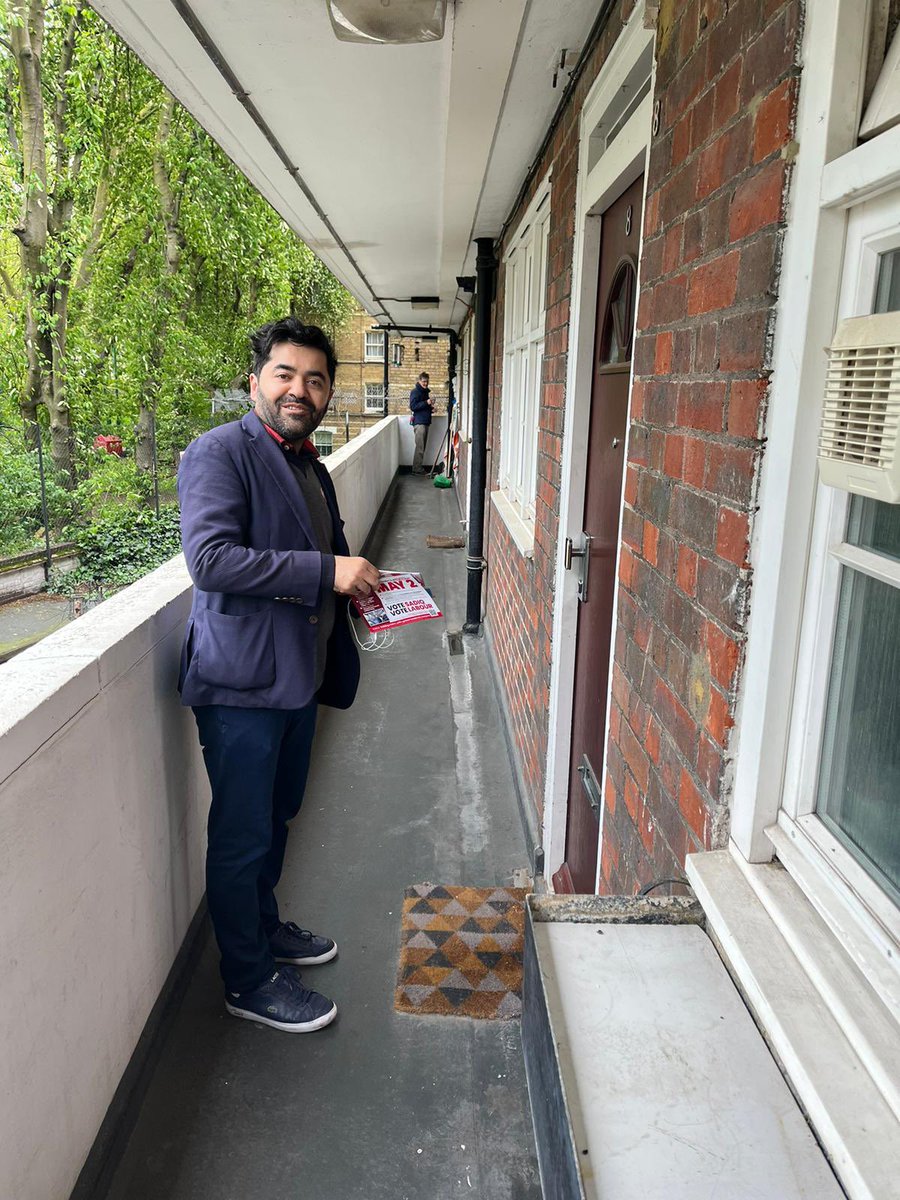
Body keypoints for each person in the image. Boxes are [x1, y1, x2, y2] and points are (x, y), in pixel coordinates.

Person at [177, 317, 380, 1034]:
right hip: (239, 688)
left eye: (316, 379)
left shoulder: (309, 462)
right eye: (287, 374)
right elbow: (212, 562)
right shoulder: (217, 453)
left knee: (276, 818)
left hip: (298, 676)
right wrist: (327, 571)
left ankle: (264, 932)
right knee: (241, 835)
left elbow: (328, 559)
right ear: (256, 380)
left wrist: (365, 586)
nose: (302, 389)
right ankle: (246, 978)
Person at [409, 371, 433, 473]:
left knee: (422, 447)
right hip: (419, 424)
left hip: (424, 422)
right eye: (423, 381)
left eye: (427, 382)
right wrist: (426, 402)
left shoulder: (425, 392)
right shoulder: (415, 392)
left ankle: (418, 468)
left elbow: (422, 407)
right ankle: (416, 469)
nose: (425, 384)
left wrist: (431, 408)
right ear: (419, 381)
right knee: (420, 447)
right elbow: (413, 407)